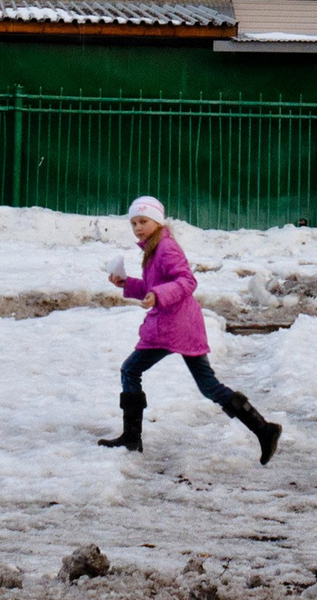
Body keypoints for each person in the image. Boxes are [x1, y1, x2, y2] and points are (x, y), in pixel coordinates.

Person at [97, 195, 282, 463]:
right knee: (208, 385)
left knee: (131, 369)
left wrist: (159, 295)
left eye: (143, 221)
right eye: (134, 222)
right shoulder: (154, 248)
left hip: (173, 326)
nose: (138, 227)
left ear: (157, 222)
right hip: (178, 324)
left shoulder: (165, 249)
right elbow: (154, 287)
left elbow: (187, 281)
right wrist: (127, 284)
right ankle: (264, 429)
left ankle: (131, 437)